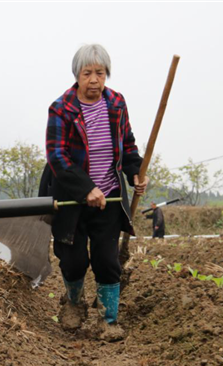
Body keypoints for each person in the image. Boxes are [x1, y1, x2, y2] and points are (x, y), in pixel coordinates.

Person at [41, 44, 148, 341]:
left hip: (109, 197)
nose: (94, 80)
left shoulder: (116, 103)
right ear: (77, 75)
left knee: (106, 259)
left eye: (99, 73)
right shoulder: (61, 109)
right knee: (73, 258)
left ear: (106, 75)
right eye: (87, 73)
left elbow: (127, 147)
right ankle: (74, 304)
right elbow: (57, 157)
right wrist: (86, 188)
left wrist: (136, 171)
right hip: (70, 199)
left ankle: (108, 320)